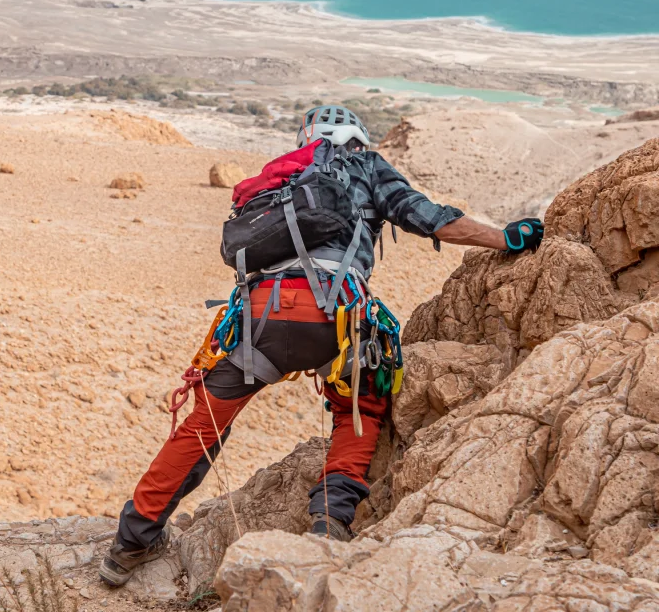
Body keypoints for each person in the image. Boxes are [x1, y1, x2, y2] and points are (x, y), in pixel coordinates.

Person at [99, 105, 544, 586]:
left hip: (260, 315)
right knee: (361, 407)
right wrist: (505, 238)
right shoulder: (366, 165)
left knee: (202, 427)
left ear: (306, 137)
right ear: (358, 136)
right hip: (338, 317)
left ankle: (131, 543)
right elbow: (432, 220)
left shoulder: (284, 178)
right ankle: (328, 526)